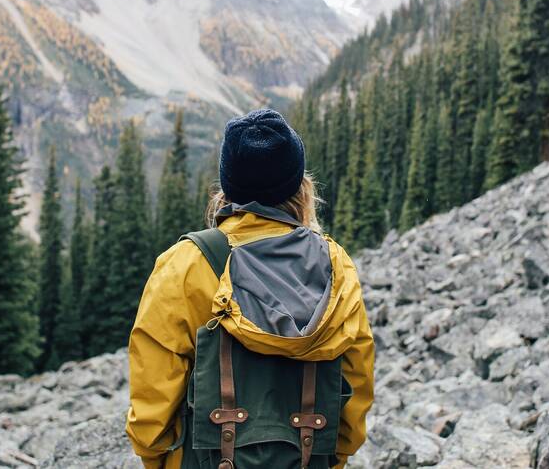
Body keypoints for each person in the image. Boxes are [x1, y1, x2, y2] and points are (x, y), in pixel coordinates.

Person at [126, 108, 375, 469]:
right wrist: (334, 458)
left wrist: (157, 460)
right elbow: (355, 380)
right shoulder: (336, 265)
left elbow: (153, 394)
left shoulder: (185, 264)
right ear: (300, 187)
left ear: (227, 187)